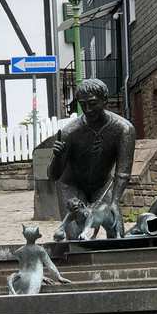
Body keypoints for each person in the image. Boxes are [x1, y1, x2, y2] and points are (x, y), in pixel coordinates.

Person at [48, 79, 136, 237]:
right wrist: (57, 157)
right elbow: (54, 175)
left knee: (117, 233)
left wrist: (115, 202)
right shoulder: (70, 132)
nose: (88, 109)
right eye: (83, 104)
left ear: (105, 100)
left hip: (102, 186)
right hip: (72, 186)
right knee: (75, 239)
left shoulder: (124, 129)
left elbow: (123, 172)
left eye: (93, 103)